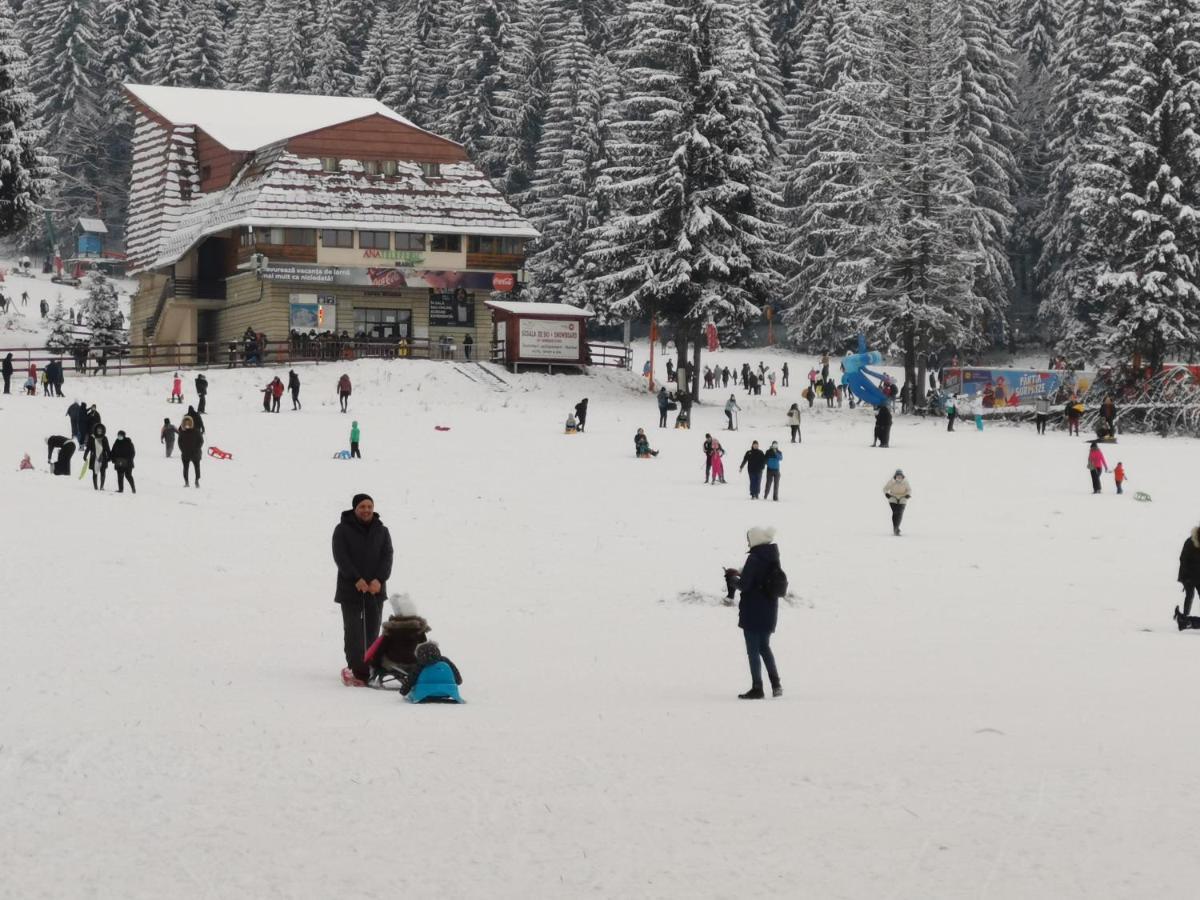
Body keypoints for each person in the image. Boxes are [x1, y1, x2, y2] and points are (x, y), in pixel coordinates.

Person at [332, 494, 394, 686]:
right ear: (354, 509)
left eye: (369, 506)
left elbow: (387, 555)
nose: (366, 510)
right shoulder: (342, 529)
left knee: (372, 630)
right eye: (362, 507)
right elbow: (340, 556)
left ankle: (371, 667)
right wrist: (356, 579)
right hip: (351, 590)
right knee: (354, 631)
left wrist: (379, 580)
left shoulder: (382, 531)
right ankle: (356, 669)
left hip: (375, 590)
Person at [733, 526, 784, 699]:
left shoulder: (754, 558)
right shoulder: (772, 557)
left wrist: (733, 579)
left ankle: (757, 687)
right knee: (764, 647)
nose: (748, 542)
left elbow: (745, 585)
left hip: (753, 610)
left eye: (748, 539)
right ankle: (776, 684)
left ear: (754, 540)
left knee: (753, 650)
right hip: (770, 610)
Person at [400, 641, 464, 703]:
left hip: (423, 692)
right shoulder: (445, 661)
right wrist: (458, 680)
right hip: (446, 692)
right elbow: (458, 679)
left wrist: (403, 691)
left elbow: (411, 679)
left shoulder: (419, 666)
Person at [1175, 524, 1200, 627]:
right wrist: (1186, 576)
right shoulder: (1190, 542)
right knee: (1189, 595)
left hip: (1198, 575)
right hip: (1188, 576)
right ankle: (1185, 618)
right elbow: (1183, 559)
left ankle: (1186, 620)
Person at [884, 469, 912, 536]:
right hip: (893, 497)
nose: (899, 478)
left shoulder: (905, 482)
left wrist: (907, 495)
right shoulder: (891, 482)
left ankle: (896, 528)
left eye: (900, 476)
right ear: (895, 476)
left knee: (899, 513)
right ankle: (896, 529)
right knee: (895, 512)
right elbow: (885, 489)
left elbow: (909, 490)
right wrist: (887, 494)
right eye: (897, 476)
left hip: (903, 497)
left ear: (902, 477)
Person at [178, 416, 203, 487]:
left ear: (191, 423)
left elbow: (201, 441)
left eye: (189, 423)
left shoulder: (196, 431)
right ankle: (186, 482)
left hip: (195, 454)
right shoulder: (182, 432)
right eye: (185, 423)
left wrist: (197, 449)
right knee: (186, 468)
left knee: (197, 468)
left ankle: (197, 481)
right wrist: (183, 450)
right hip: (186, 454)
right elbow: (179, 442)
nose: (187, 424)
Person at [85, 423, 111, 491]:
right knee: (95, 472)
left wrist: (110, 457)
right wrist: (85, 455)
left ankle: (102, 486)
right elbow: (88, 448)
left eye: (100, 430)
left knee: (103, 472)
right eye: (98, 429)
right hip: (94, 457)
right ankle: (95, 487)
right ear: (95, 430)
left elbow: (108, 449)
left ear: (103, 430)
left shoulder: (105, 438)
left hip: (103, 457)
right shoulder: (92, 437)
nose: (99, 431)